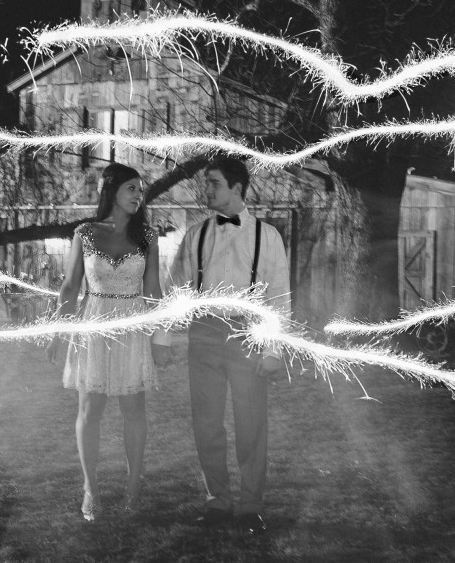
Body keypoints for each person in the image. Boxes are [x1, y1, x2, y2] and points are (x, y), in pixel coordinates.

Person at [167, 156, 291, 535]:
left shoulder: (267, 236)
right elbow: (177, 289)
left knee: (250, 423)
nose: (207, 190)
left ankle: (251, 505)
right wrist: (166, 335)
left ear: (236, 189)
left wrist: (273, 351)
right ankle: (217, 500)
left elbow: (279, 296)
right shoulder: (195, 234)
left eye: (214, 184)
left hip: (248, 336)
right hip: (203, 335)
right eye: (206, 183)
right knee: (206, 423)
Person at [47, 163, 170, 522]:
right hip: (94, 326)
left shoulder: (147, 236)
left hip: (132, 326)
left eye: (140, 190)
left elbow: (154, 291)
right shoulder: (85, 233)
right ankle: (91, 489)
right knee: (90, 411)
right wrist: (59, 331)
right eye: (132, 188)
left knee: (134, 411)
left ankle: (134, 488)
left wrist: (161, 338)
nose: (138, 195)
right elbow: (70, 287)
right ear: (111, 190)